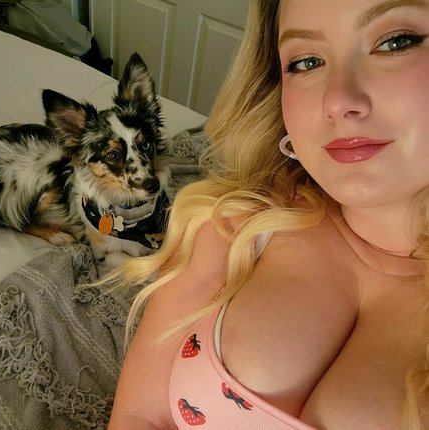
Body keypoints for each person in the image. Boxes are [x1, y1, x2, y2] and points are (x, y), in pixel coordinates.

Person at [107, 0, 429, 428]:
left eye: (396, 42)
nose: (336, 101)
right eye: (306, 62)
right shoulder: (236, 223)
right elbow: (139, 416)